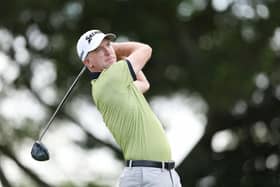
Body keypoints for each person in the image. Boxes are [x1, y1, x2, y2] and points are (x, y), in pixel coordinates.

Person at [76, 29, 182, 187]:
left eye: (108, 44)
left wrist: (113, 54)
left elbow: (144, 84)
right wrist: (117, 49)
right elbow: (145, 50)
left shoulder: (104, 86)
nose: (106, 50)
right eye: (98, 49)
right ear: (88, 63)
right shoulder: (112, 77)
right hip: (155, 175)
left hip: (135, 174)